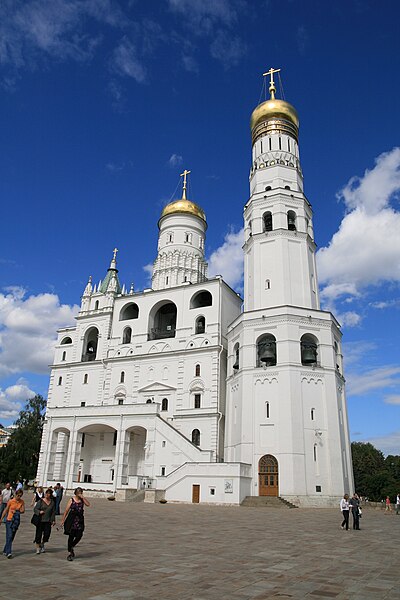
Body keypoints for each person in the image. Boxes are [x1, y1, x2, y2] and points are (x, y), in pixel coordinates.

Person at [60, 487, 90, 561]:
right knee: (71, 535)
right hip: (72, 520)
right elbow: (66, 511)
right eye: (79, 492)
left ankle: (72, 546)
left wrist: (83, 497)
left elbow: (88, 504)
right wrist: (63, 520)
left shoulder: (82, 500)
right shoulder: (72, 500)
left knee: (79, 535)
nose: (80, 494)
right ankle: (70, 552)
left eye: (81, 492)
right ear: (76, 493)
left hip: (79, 520)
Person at [0, 488, 25, 558]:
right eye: (18, 495)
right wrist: (1, 519)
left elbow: (23, 510)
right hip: (9, 520)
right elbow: (6, 510)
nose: (19, 497)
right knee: (9, 535)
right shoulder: (11, 501)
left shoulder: (22, 502)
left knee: (12, 536)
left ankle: (5, 550)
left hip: (16, 520)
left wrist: (18, 511)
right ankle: (9, 552)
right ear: (15, 494)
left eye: (20, 496)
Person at [33, 488, 56, 554]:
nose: (47, 495)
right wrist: (39, 512)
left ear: (51, 495)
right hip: (40, 520)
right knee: (38, 534)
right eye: (46, 493)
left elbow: (53, 512)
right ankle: (37, 547)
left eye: (48, 493)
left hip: (48, 521)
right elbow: (35, 509)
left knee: (47, 534)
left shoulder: (52, 502)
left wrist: (53, 520)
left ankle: (42, 544)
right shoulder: (40, 501)